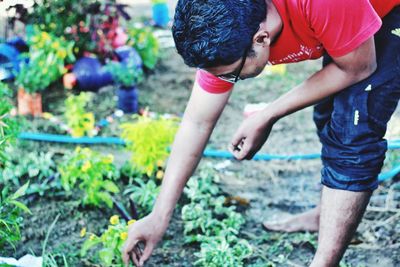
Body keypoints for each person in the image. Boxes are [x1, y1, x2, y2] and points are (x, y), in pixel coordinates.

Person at [122, 0, 400, 266]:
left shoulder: (323, 4)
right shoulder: (227, 22)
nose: (228, 82)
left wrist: (268, 114)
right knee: (327, 114)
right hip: (349, 12)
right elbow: (197, 121)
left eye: (232, 75)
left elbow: (359, 67)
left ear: (262, 38)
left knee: (353, 132)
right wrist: (159, 215)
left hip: (390, 10)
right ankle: (324, 215)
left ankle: (324, 263)